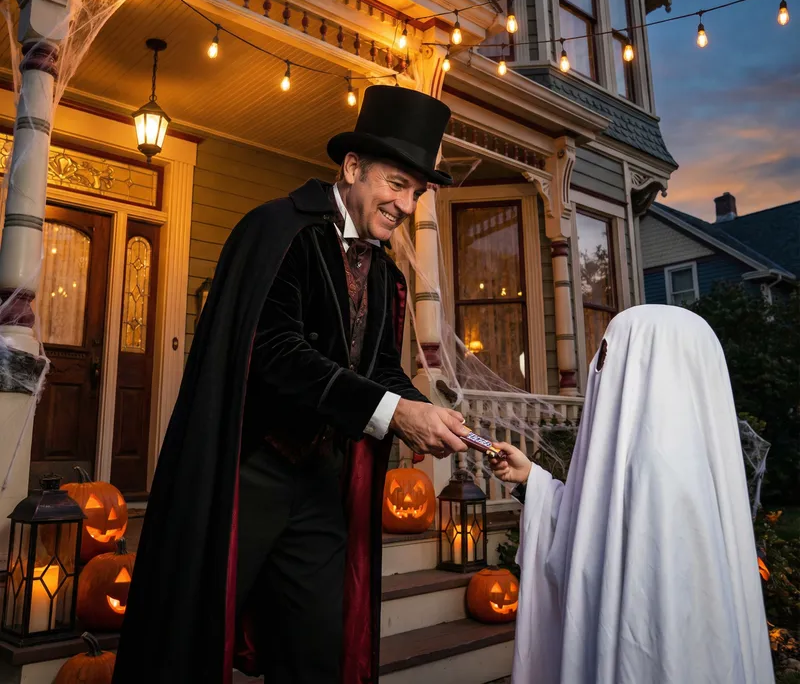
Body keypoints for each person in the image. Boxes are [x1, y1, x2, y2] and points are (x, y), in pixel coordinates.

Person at [113, 85, 469, 684]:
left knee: (315, 653)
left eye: (416, 191)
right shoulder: (277, 231)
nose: (406, 204)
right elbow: (275, 354)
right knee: (193, 638)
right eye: (396, 184)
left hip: (321, 485)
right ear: (352, 167)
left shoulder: (385, 275)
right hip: (247, 472)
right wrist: (391, 412)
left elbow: (378, 365)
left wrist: (420, 409)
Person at [490, 305, 774, 684]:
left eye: (607, 354)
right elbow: (588, 530)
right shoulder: (651, 457)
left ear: (644, 363)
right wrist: (531, 479)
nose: (598, 368)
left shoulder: (658, 469)